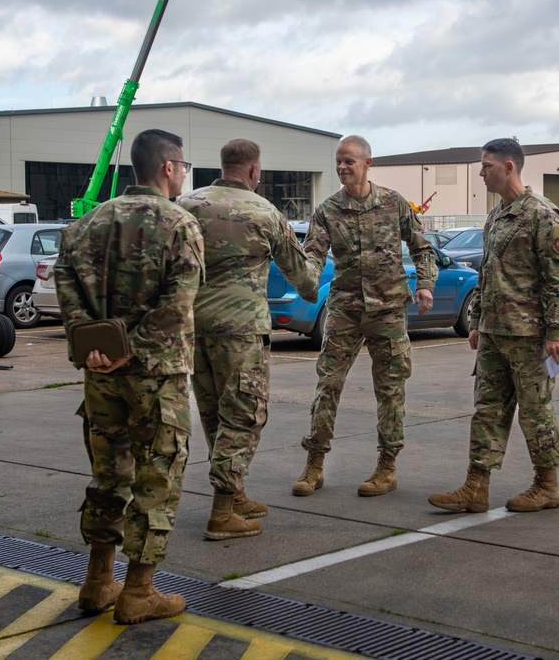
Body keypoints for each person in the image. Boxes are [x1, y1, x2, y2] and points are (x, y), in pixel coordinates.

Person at [54, 129, 204, 624]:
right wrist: (133, 349)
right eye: (181, 165)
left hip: (100, 376)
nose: (183, 174)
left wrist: (92, 348)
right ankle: (139, 591)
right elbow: (177, 304)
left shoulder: (84, 225)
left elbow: (67, 292)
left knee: (107, 476)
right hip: (156, 377)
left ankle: (98, 581)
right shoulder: (180, 225)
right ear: (167, 167)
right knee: (157, 478)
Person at [178, 139, 318, 540]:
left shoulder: (187, 205)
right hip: (240, 331)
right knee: (243, 415)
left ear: (222, 165)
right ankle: (222, 511)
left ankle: (234, 493)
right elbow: (307, 282)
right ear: (255, 171)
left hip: (192, 328)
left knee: (212, 413)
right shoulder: (265, 213)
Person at [429, 138, 559, 514]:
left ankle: (547, 485)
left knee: (535, 410)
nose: (481, 173)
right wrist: (476, 319)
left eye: (487, 166)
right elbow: (487, 272)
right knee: (487, 410)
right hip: (495, 331)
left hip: (530, 335)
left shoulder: (542, 215)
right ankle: (476, 487)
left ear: (509, 167)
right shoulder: (496, 215)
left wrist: (557, 331)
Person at [294, 135, 437, 497]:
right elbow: (313, 253)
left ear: (367, 163)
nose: (342, 167)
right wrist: (306, 278)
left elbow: (421, 247)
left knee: (390, 390)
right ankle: (314, 464)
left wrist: (425, 285)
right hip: (345, 308)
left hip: (388, 309)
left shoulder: (393, 203)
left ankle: (387, 466)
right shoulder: (327, 210)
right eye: (338, 162)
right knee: (328, 385)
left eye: (349, 162)